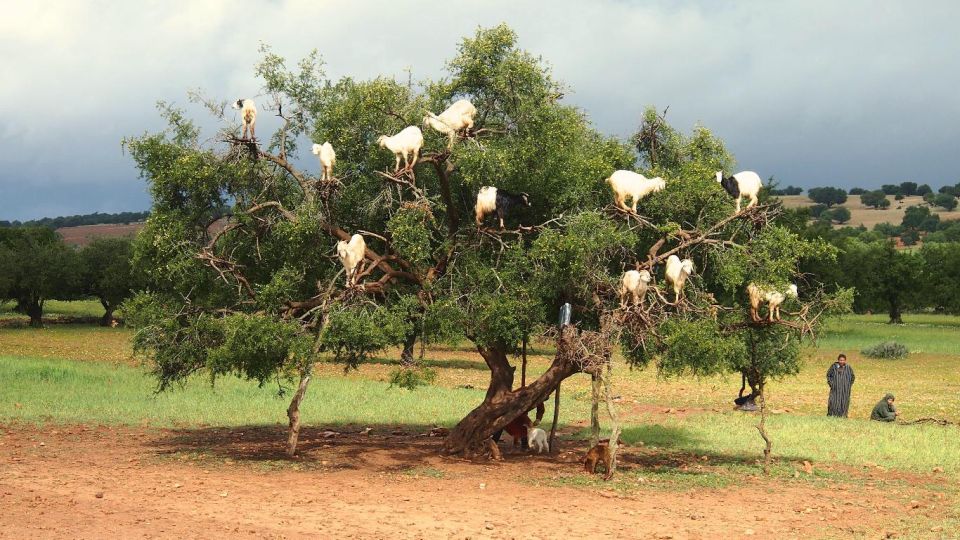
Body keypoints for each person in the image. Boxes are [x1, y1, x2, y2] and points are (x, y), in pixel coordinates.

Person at [826, 353, 855, 417]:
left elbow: (852, 377)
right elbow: (828, 375)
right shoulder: (833, 367)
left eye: (843, 360)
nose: (842, 361)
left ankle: (843, 415)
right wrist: (832, 384)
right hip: (835, 389)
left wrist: (848, 385)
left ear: (845, 360)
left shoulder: (848, 368)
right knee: (833, 402)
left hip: (845, 390)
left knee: (844, 402)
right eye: (840, 360)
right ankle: (832, 415)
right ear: (838, 360)